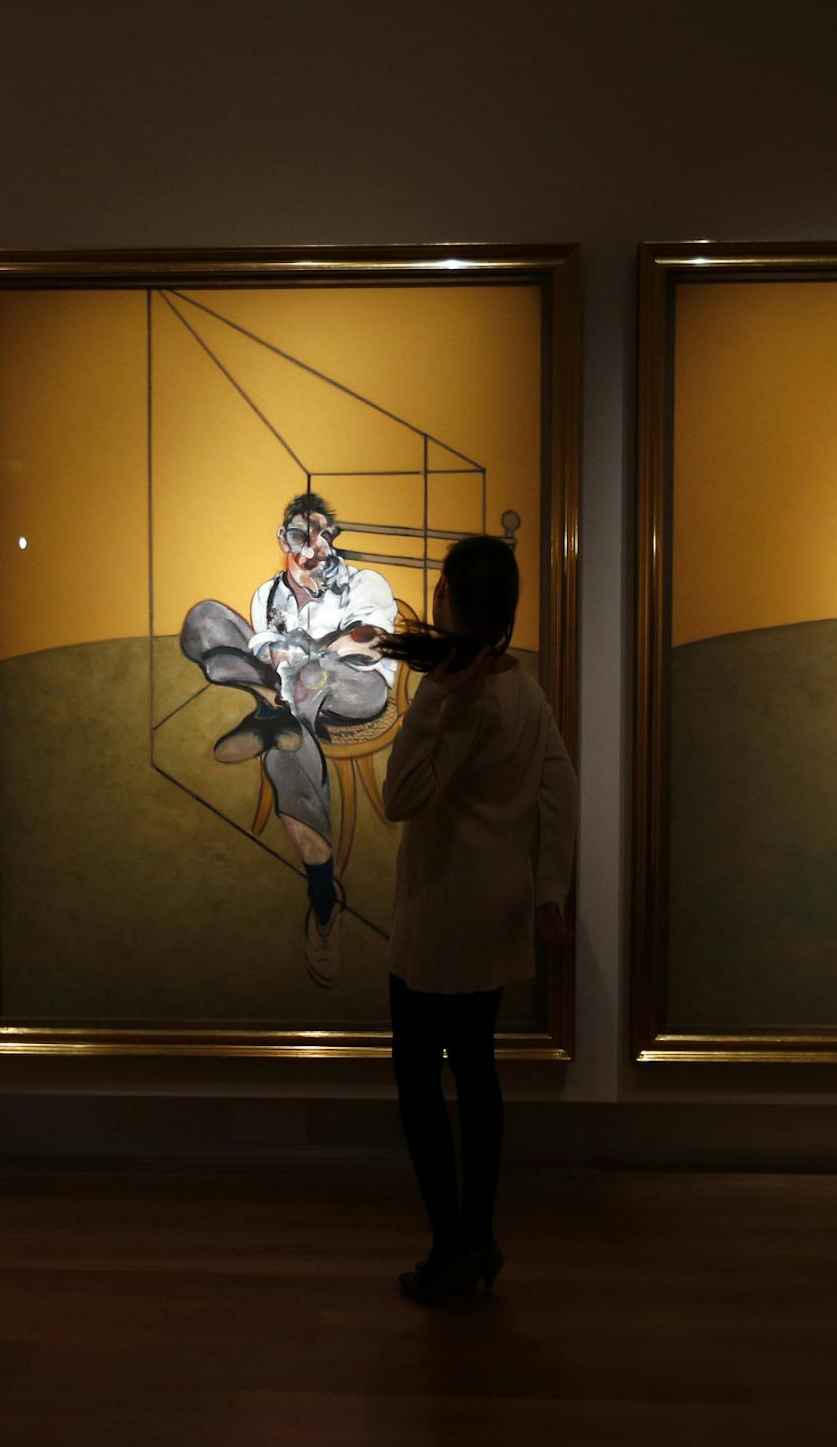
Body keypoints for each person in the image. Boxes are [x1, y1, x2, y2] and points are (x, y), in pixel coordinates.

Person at [376, 536, 576, 1308]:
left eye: (442, 588)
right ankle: (478, 1236)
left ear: (460, 602)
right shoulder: (522, 687)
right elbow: (560, 788)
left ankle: (451, 1247)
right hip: (498, 910)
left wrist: (432, 696)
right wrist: (550, 888)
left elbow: (399, 795)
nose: (434, 598)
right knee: (479, 1070)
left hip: (444, 911)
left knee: (420, 1080)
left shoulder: (464, 697)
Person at [178, 492, 397, 986]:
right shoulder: (267, 595)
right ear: (284, 538)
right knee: (206, 619)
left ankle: (269, 709)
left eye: (321, 533)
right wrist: (276, 658)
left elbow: (369, 638)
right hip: (295, 693)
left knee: (310, 675)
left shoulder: (363, 583)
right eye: (300, 534)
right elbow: (261, 640)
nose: (311, 545)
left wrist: (304, 656)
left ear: (331, 538)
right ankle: (275, 714)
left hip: (353, 688)